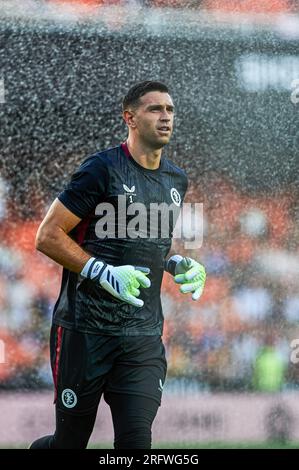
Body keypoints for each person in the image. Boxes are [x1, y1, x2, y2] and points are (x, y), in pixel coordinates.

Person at [29, 81, 206, 449]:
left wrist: (177, 264)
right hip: (85, 330)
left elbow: (148, 246)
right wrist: (102, 271)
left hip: (141, 336)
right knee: (70, 443)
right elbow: (47, 236)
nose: (166, 117)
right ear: (130, 118)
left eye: (170, 110)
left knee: (137, 442)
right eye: (155, 109)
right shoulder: (101, 169)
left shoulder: (176, 180)